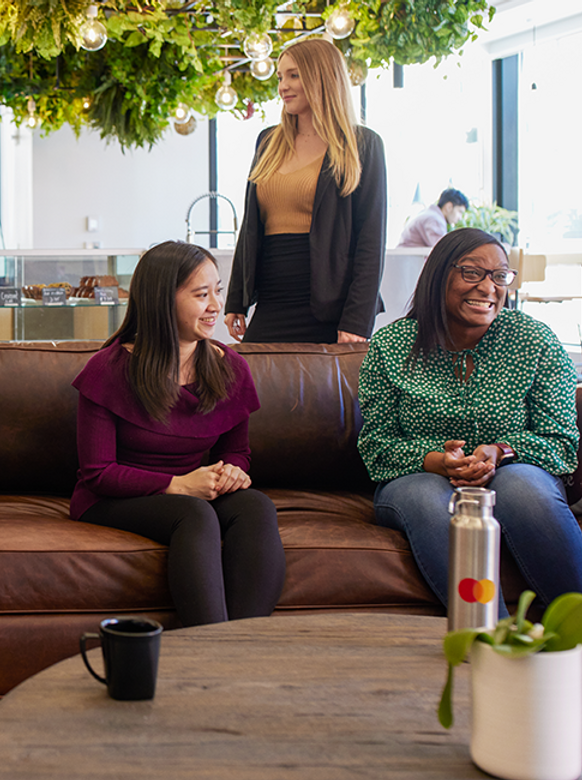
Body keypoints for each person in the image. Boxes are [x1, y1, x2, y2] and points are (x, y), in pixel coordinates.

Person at [358, 227, 582, 613]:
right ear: (438, 273)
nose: (488, 287)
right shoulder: (391, 346)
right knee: (428, 497)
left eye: (499, 276)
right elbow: (375, 446)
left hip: (516, 469)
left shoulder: (535, 340)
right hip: (416, 481)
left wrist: (499, 451)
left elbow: (561, 440)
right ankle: (491, 639)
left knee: (522, 489)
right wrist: (435, 460)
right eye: (472, 272)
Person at [71, 241, 286, 627]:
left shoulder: (229, 367)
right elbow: (98, 472)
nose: (216, 306)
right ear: (161, 300)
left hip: (192, 490)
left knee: (256, 506)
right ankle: (209, 648)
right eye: (202, 295)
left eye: (217, 291)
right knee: (194, 514)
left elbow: (237, 451)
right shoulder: (109, 369)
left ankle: (245, 645)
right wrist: (177, 485)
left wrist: (233, 471)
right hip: (112, 497)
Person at [226, 38, 387, 344]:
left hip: (330, 309)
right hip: (272, 301)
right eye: (279, 77)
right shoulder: (268, 141)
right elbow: (250, 225)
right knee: (253, 386)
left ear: (322, 77)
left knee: (327, 394)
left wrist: (357, 320)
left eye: (293, 75)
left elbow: (371, 241)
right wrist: (236, 298)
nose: (282, 86)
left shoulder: (361, 145)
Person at [397, 188, 470, 248]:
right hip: (411, 263)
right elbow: (443, 249)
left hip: (408, 261)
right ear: (449, 207)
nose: (460, 218)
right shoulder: (435, 220)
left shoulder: (429, 214)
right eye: (460, 212)